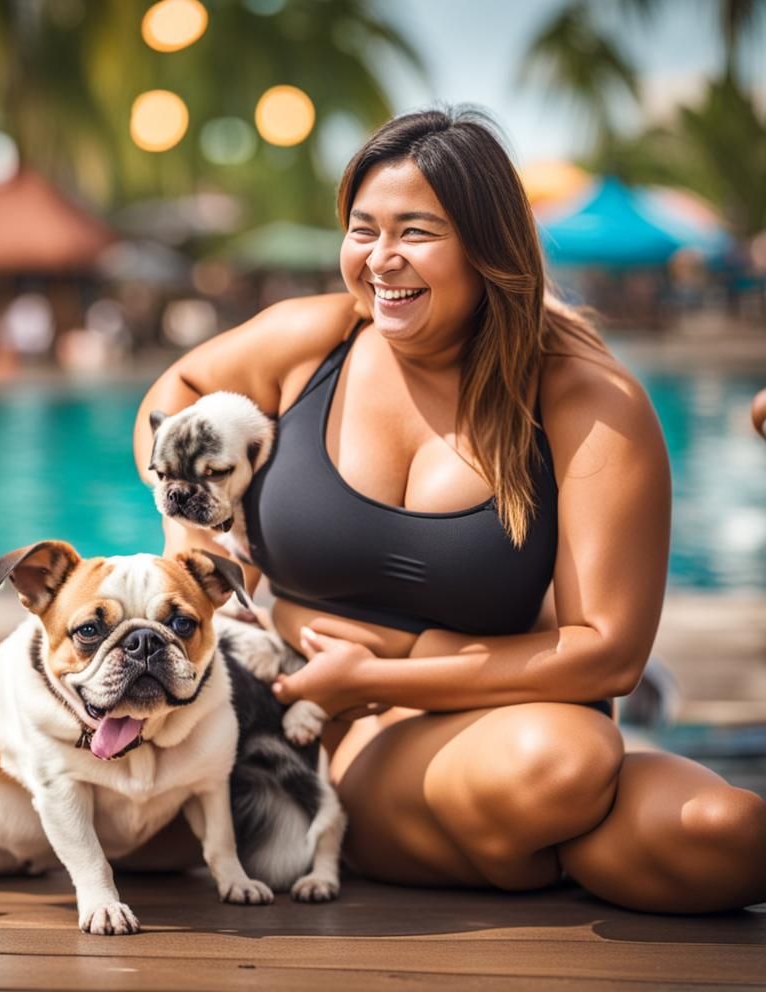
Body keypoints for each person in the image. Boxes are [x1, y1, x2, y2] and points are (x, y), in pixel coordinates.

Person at [132, 107, 766, 913]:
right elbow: (173, 395)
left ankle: (424, 834)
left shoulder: (587, 400)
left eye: (416, 232)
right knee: (574, 774)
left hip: (474, 725)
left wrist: (380, 675)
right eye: (363, 229)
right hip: (279, 711)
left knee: (717, 827)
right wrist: (197, 548)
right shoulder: (312, 341)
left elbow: (609, 657)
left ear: (488, 246)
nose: (380, 259)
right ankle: (517, 844)